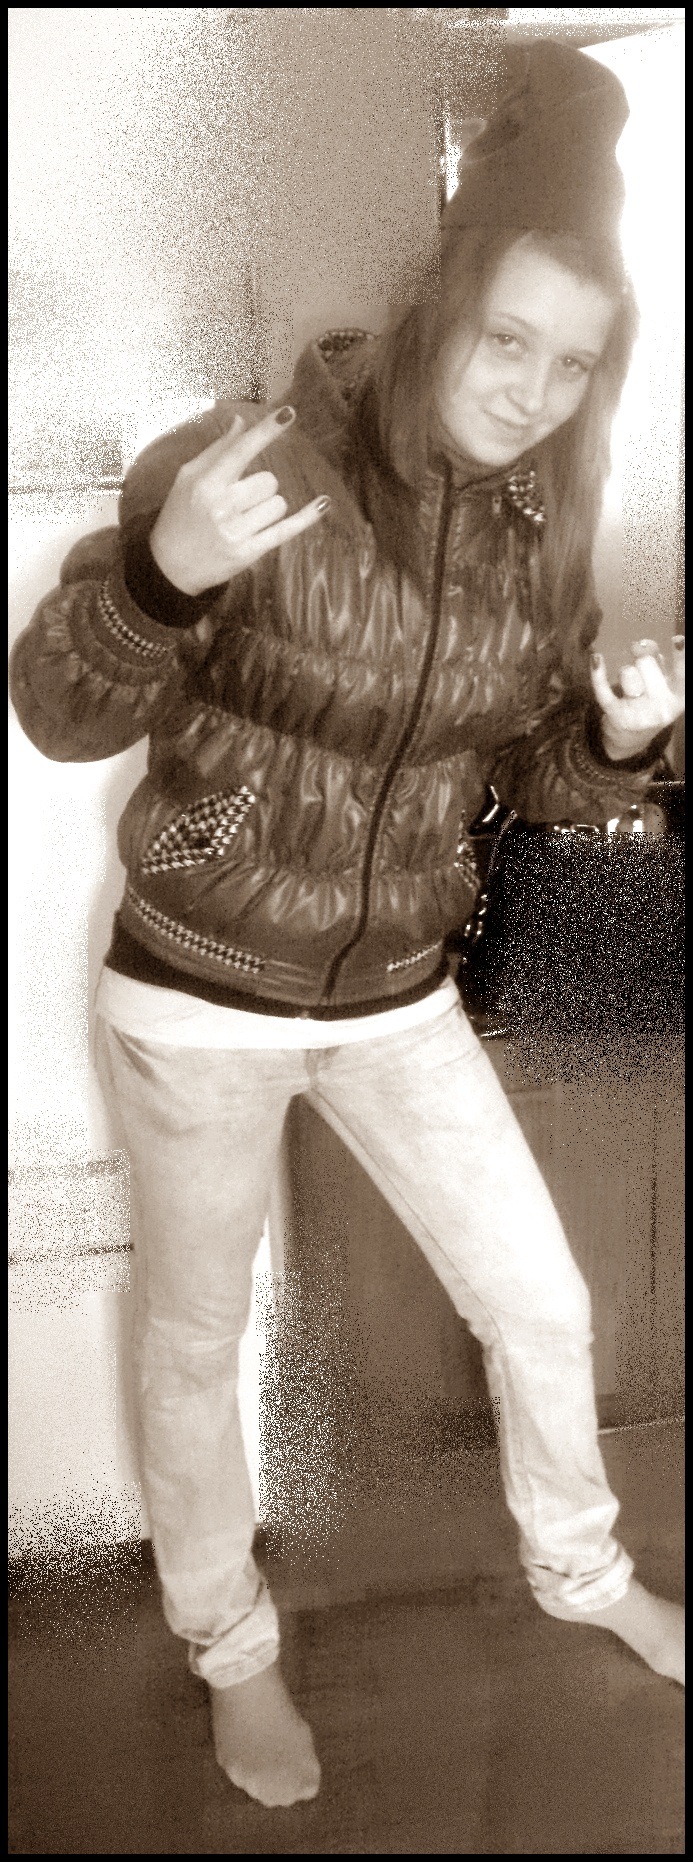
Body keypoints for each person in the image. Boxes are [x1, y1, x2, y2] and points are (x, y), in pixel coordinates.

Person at [10, 40, 685, 1809]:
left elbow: (521, 773)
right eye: (508, 338)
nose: (532, 390)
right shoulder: (253, 463)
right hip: (198, 993)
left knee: (540, 1302)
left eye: (573, 360)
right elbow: (58, 707)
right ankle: (230, 1649)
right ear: (443, 302)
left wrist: (615, 748)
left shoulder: (536, 529)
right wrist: (159, 576)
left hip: (394, 994)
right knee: (195, 1335)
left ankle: (583, 1572)